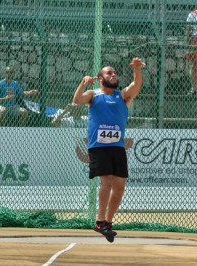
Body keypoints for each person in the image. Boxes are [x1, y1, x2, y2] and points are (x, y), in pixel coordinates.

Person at [73, 57, 145, 242]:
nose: (113, 75)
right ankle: (99, 221)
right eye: (108, 73)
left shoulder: (122, 95)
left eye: (114, 73)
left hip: (117, 147)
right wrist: (83, 82)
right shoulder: (93, 94)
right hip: (98, 146)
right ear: (99, 78)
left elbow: (136, 85)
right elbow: (77, 99)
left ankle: (107, 223)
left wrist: (137, 68)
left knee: (119, 186)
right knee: (107, 181)